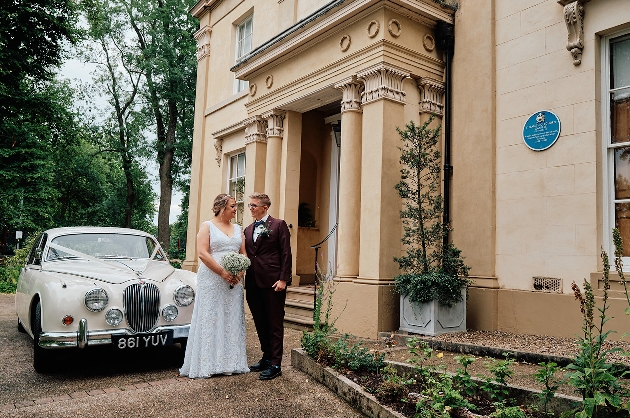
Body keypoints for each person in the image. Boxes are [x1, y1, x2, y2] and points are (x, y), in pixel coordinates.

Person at [179, 194, 249, 378]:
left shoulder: (238, 228)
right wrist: (222, 272)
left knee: (231, 317)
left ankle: (230, 363)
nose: (236, 209)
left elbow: (244, 254)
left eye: (236, 206)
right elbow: (202, 253)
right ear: (222, 208)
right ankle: (208, 364)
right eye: (233, 206)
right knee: (211, 316)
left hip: (234, 282)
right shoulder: (207, 226)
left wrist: (239, 274)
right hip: (212, 278)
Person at [244, 192, 292, 380]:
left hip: (273, 282)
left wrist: (283, 279)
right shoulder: (247, 230)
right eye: (250, 205)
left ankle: (276, 363)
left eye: (254, 205)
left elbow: (286, 254)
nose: (251, 209)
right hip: (253, 282)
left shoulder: (278, 225)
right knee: (260, 321)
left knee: (274, 323)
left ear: (265, 207)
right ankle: (266, 356)